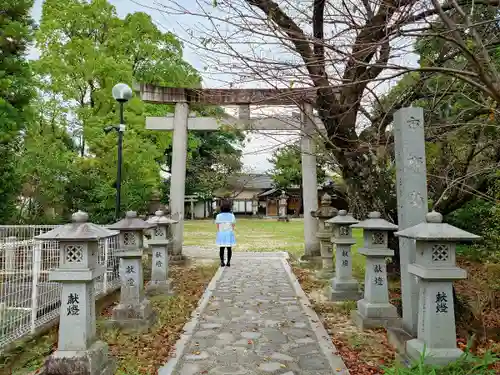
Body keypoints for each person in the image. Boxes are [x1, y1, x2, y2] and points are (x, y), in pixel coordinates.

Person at [215, 199, 236, 267]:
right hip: (229, 233)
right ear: (229, 208)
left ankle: (222, 262)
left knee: (222, 248)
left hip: (221, 233)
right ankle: (228, 262)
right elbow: (233, 225)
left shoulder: (218, 216)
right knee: (229, 248)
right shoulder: (232, 216)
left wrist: (220, 231)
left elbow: (217, 226)